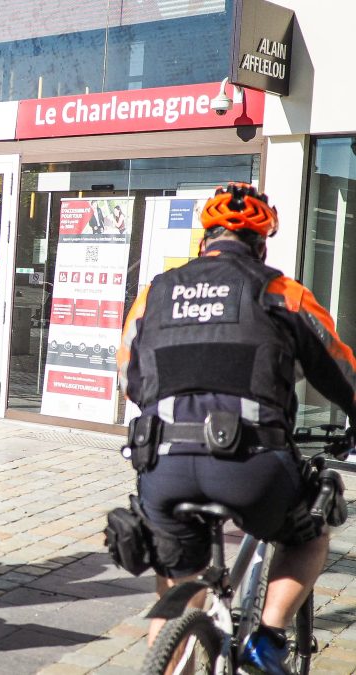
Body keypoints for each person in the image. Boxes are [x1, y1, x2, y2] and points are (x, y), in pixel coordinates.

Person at [117, 183, 356, 675]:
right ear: (261, 245)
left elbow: (130, 378)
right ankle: (267, 640)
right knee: (308, 534)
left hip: (162, 462)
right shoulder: (281, 291)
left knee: (178, 583)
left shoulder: (156, 292)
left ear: (205, 239)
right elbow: (343, 373)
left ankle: (167, 658)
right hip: (252, 466)